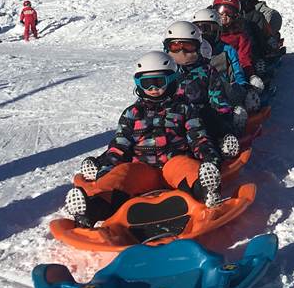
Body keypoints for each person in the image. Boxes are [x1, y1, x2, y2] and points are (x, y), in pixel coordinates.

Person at [63, 51, 222, 227]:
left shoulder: (185, 109)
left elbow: (198, 137)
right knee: (120, 176)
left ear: (171, 80)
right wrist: (104, 168)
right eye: (147, 83)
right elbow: (120, 145)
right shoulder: (132, 113)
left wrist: (209, 159)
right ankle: (92, 210)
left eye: (158, 82)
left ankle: (206, 190)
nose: (153, 89)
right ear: (138, 85)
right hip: (142, 167)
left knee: (188, 168)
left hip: (173, 162)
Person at [163, 21, 243, 156]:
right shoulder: (164, 72)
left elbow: (217, 98)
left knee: (211, 118)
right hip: (171, 116)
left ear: (198, 47)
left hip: (199, 116)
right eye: (175, 46)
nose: (181, 51)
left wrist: (224, 119)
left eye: (188, 46)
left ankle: (221, 143)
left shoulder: (206, 71)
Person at [192, 7, 259, 113]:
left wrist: (242, 86)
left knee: (231, 88)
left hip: (224, 90)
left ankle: (237, 110)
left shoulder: (226, 50)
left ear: (218, 30)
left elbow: (237, 72)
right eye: (200, 29)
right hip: (199, 91)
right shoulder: (192, 53)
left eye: (208, 29)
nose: (204, 33)